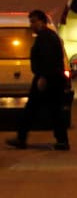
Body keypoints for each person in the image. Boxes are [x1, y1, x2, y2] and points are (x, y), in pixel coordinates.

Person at [7, 10, 70, 150]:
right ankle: (61, 141)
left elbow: (48, 59)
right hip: (51, 78)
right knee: (50, 110)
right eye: (31, 22)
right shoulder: (47, 36)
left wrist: (43, 77)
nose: (32, 25)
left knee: (35, 109)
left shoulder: (46, 38)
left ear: (42, 22)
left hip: (48, 79)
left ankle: (22, 138)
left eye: (34, 21)